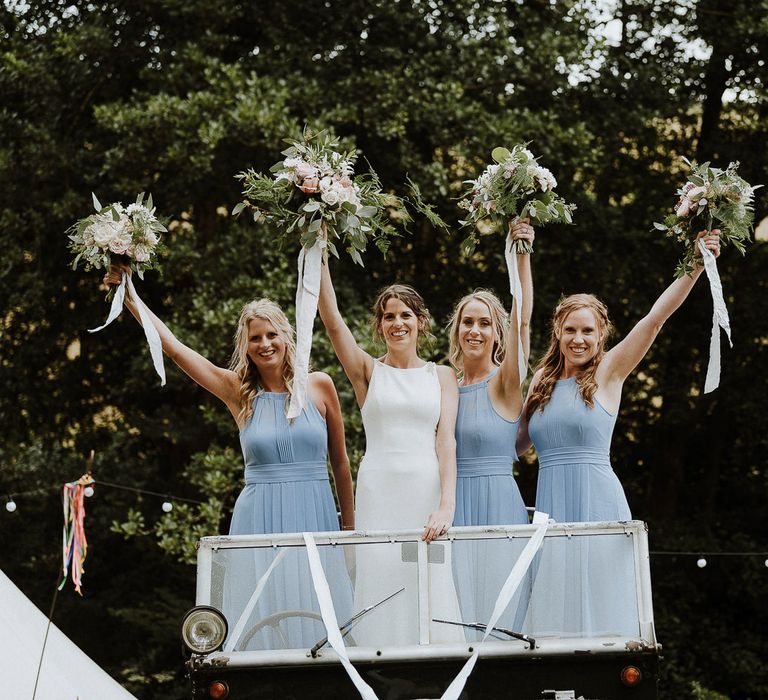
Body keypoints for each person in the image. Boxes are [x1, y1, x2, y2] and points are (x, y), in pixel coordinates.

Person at [103, 264, 354, 648]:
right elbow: (172, 347)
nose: (265, 344)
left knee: (320, 616)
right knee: (263, 618)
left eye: (272, 335)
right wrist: (128, 293)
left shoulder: (319, 386)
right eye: (256, 338)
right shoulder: (237, 392)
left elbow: (340, 464)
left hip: (315, 513)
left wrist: (350, 534)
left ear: (287, 337)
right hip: (260, 517)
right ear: (246, 345)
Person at [516, 230, 721, 638]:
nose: (578, 339)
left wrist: (696, 265)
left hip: (597, 500)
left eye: (587, 331)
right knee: (555, 611)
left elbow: (654, 318)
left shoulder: (610, 371)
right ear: (557, 330)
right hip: (550, 506)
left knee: (602, 609)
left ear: (601, 334)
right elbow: (516, 444)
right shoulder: (541, 379)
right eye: (570, 330)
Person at [317, 258, 463, 646]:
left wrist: (446, 504)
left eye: (405, 315)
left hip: (425, 490)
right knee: (379, 577)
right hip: (379, 490)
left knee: (428, 580)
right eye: (388, 316)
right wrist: (317, 249)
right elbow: (332, 322)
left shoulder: (443, 375)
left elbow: (446, 441)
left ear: (421, 321)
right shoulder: (367, 371)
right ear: (379, 325)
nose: (397, 323)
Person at [446, 220, 535, 639]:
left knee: (500, 615)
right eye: (468, 322)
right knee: (454, 613)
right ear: (457, 330)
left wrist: (521, 253)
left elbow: (524, 322)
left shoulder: (505, 383)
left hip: (499, 502)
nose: (475, 330)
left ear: (496, 332)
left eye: (484, 323)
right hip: (450, 505)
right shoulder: (442, 384)